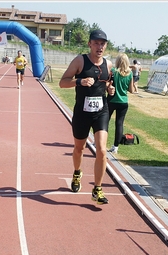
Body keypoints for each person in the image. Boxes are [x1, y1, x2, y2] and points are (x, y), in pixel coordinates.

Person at [59, 29, 115, 205]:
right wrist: (79, 81)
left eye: (103, 43)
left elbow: (108, 82)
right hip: (82, 113)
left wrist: (109, 89)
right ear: (90, 44)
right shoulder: (80, 61)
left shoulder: (109, 64)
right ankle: (77, 172)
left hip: (101, 112)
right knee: (79, 149)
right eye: (96, 43)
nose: (100, 47)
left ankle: (97, 189)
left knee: (102, 149)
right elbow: (62, 82)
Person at [107, 53, 134, 154]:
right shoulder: (130, 74)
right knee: (119, 124)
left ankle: (99, 142)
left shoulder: (113, 72)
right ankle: (115, 147)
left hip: (111, 100)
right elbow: (131, 90)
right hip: (123, 101)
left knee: (105, 121)